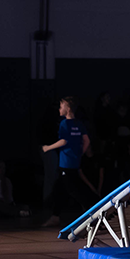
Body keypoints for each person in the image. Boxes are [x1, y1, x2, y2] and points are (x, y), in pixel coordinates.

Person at [41, 97, 93, 227]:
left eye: (61, 106)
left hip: (66, 164)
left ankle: (93, 213)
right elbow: (86, 141)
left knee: (74, 190)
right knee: (60, 189)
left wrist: (48, 147)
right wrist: (80, 153)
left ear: (67, 109)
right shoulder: (79, 124)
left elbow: (64, 141)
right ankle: (55, 216)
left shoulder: (64, 124)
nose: (59, 109)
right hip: (74, 162)